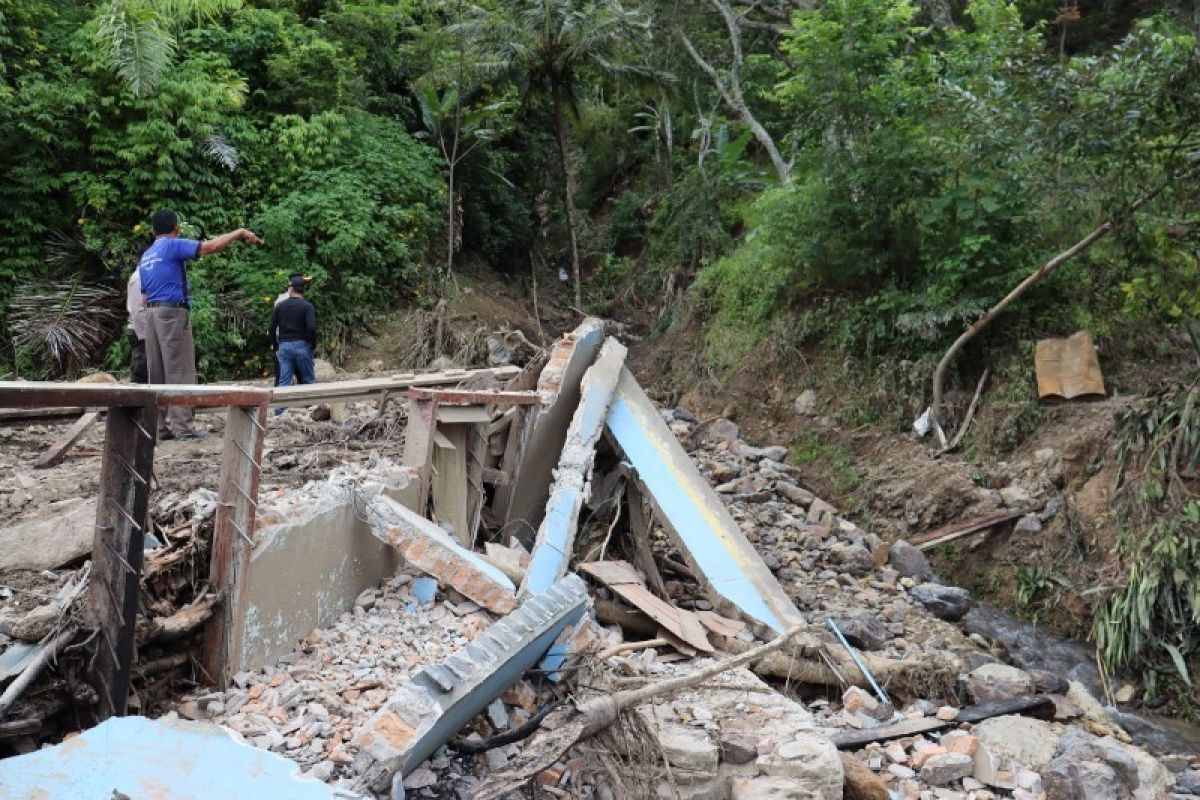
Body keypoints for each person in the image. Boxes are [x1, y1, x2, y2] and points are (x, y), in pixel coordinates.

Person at [139, 209, 262, 439]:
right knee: (180, 369)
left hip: (151, 315)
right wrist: (239, 232)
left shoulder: (146, 255)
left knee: (157, 372)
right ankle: (183, 428)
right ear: (176, 228)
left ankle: (160, 428)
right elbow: (211, 247)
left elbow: (143, 297)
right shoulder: (171, 245)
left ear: (152, 230)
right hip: (172, 312)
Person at [268, 274, 317, 390]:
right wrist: (312, 345)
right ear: (303, 290)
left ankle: (279, 408)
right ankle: (310, 406)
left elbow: (271, 328)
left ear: (291, 289)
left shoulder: (280, 306)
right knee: (308, 380)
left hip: (284, 345)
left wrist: (276, 347)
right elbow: (311, 328)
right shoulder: (308, 306)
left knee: (284, 381)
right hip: (303, 345)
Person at [271, 273, 305, 386]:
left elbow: (272, 326)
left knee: (283, 378)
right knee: (299, 376)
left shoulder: (281, 300)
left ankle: (280, 402)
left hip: (283, 342)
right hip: (290, 341)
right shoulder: (284, 301)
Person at [126, 267, 148, 383]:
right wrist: (144, 334)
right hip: (139, 327)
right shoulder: (140, 277)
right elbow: (139, 308)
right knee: (141, 368)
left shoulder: (136, 276)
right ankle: (136, 399)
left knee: (141, 364)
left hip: (136, 326)